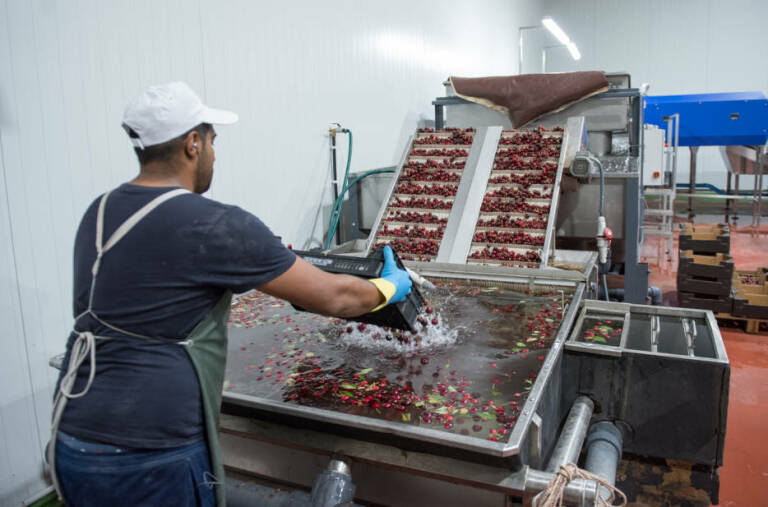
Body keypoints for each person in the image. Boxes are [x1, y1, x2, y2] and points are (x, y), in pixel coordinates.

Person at [49, 81, 412, 506]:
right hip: (151, 454)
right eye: (213, 141)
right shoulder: (215, 224)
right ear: (192, 144)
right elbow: (334, 297)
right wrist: (388, 286)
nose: (215, 154)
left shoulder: (100, 209)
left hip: (72, 435)